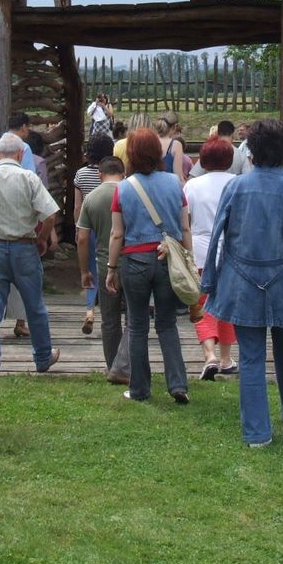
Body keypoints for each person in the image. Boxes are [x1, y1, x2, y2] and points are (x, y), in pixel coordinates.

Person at [201, 119, 283, 447]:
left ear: (251, 152)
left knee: (251, 357)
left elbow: (217, 239)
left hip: (242, 284)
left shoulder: (236, 187)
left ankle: (257, 433)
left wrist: (211, 281)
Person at [104, 127, 192, 404]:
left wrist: (111, 268)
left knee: (138, 326)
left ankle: (140, 389)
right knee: (167, 324)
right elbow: (185, 227)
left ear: (131, 154)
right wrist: (189, 260)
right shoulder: (175, 184)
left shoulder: (123, 188)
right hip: (168, 258)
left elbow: (117, 233)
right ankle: (178, 384)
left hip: (135, 260)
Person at [0, 133, 61, 376]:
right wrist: (42, 238)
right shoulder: (29, 178)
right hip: (24, 248)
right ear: (21, 154)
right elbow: (49, 215)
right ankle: (42, 357)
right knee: (34, 306)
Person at [185, 135, 239, 381]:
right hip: (231, 252)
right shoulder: (238, 183)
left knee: (202, 304)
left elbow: (185, 220)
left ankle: (209, 355)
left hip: (200, 251)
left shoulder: (192, 186)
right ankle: (226, 358)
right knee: (227, 306)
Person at [77, 155, 130, 383]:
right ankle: (127, 364)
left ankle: (112, 366)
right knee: (133, 319)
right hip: (132, 262)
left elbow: (82, 238)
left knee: (109, 319)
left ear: (100, 174)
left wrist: (84, 271)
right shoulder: (130, 193)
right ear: (123, 173)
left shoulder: (92, 198)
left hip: (104, 263)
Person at [73, 133, 115, 335]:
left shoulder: (81, 174)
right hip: (110, 226)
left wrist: (77, 227)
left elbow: (77, 205)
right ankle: (110, 311)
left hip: (88, 226)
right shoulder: (114, 175)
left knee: (90, 270)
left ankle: (90, 310)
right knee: (109, 266)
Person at [155, 112, 190, 182]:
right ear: (174, 127)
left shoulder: (149, 141)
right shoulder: (176, 145)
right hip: (168, 185)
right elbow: (178, 177)